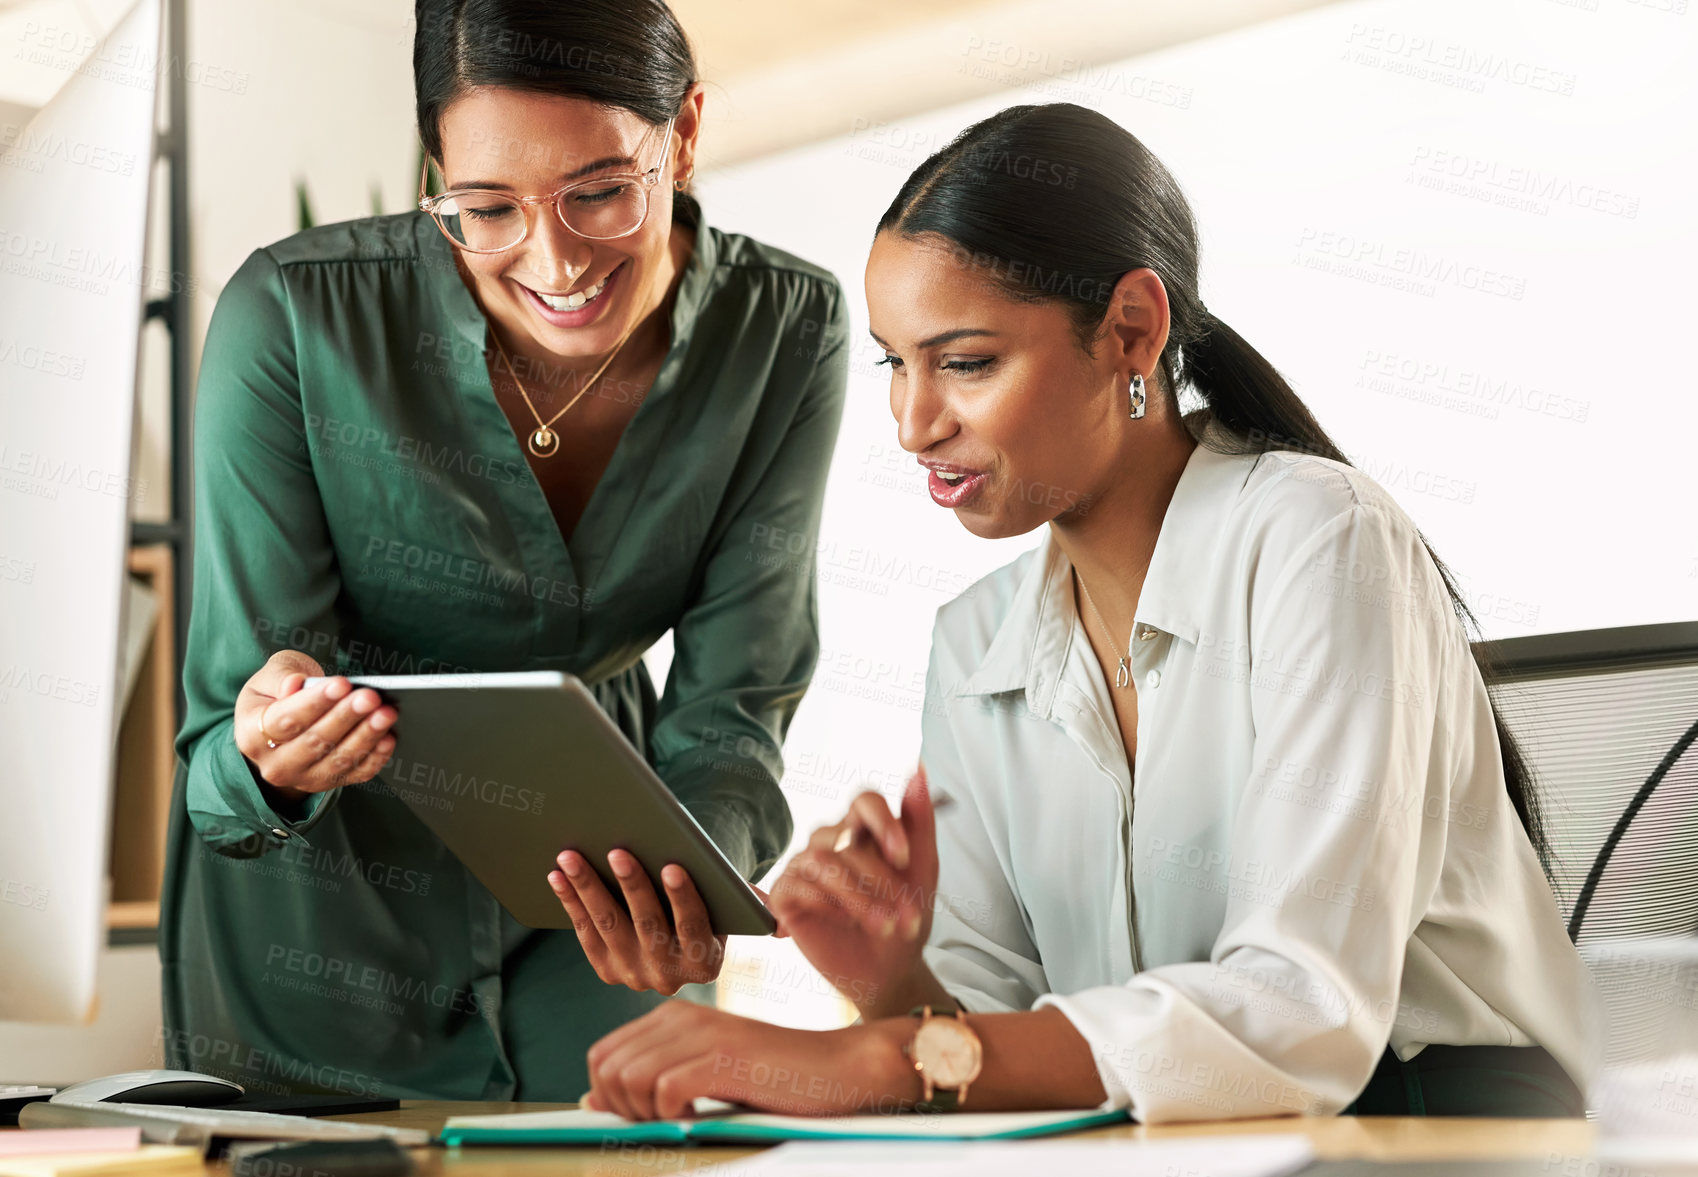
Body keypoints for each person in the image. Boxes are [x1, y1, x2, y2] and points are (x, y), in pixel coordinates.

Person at [575, 103, 1598, 1123]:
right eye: (897, 363)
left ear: (1132, 331)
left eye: (966, 361)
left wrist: (871, 1056)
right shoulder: (977, 640)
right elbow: (997, 1045)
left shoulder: (1319, 539)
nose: (913, 424)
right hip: (1171, 1139)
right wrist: (891, 984)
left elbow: (1299, 1015)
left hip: (1435, 1121)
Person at [161, 0, 847, 1100]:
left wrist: (687, 881)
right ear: (434, 171)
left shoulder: (784, 333)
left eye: (601, 191)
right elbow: (216, 744)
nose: (554, 255)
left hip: (596, 908)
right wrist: (266, 753)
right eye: (485, 207)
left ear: (683, 133)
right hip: (322, 939)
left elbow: (736, 706)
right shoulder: (293, 318)